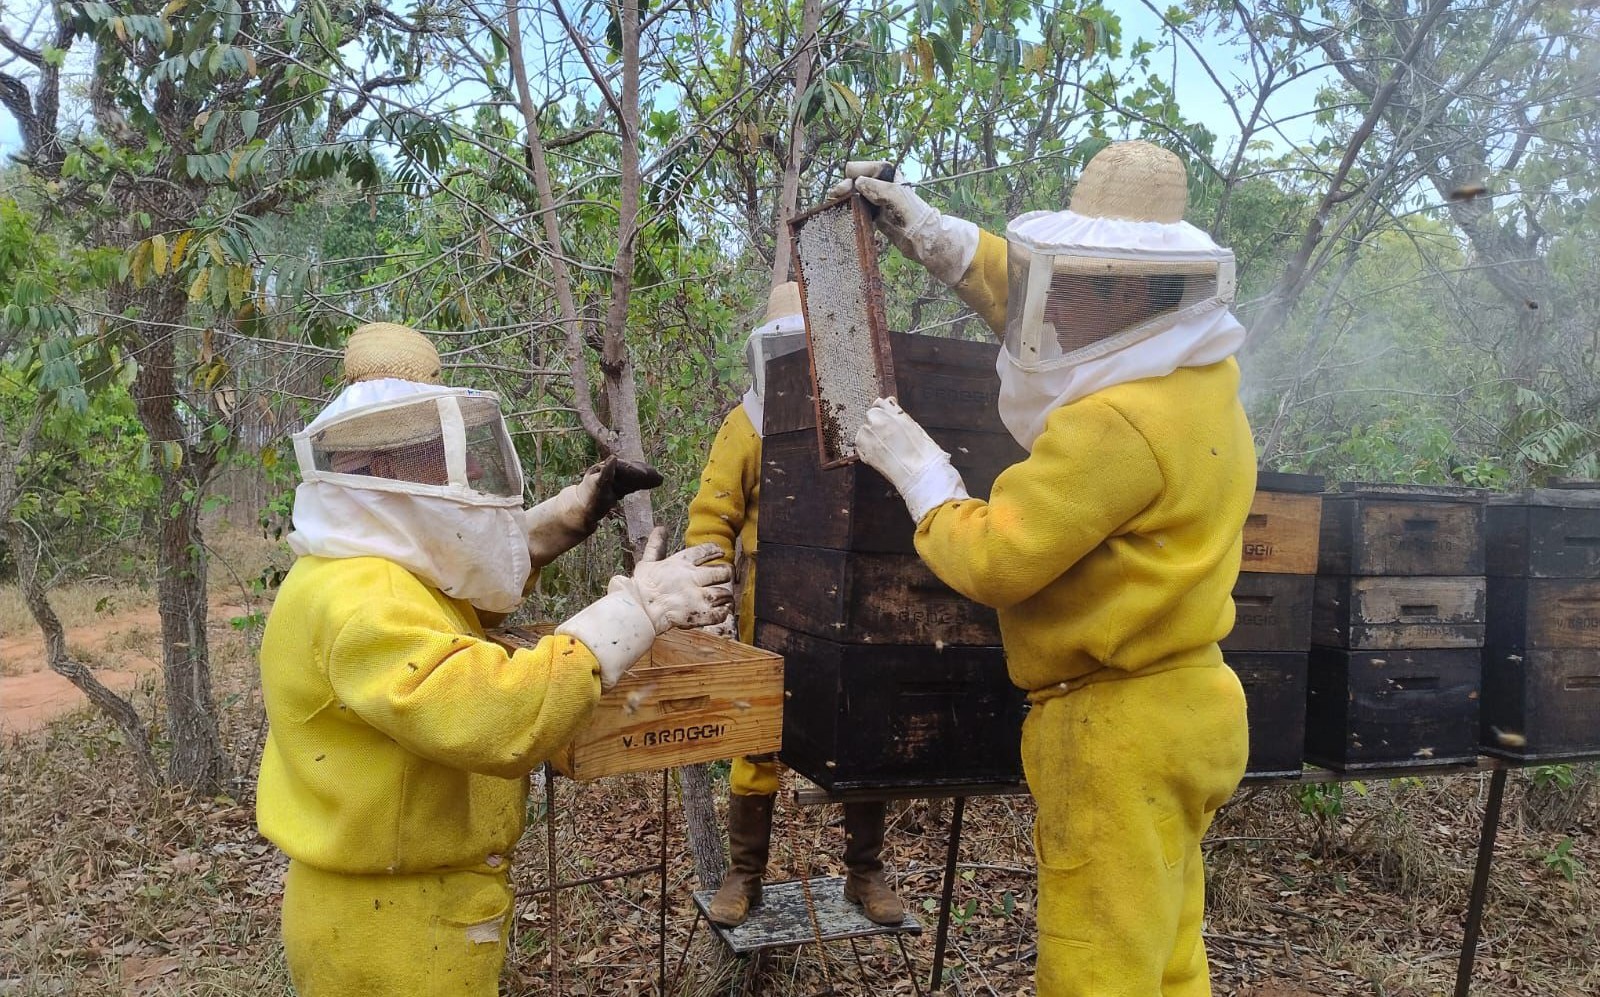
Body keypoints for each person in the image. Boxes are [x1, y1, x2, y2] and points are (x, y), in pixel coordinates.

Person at [835, 142, 1255, 996]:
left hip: (1115, 735)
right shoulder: (1205, 380)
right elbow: (1046, 319)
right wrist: (946, 241)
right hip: (1192, 709)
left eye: (1092, 282)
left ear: (1139, 286)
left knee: (1098, 967)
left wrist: (924, 478)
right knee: (1166, 954)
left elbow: (1000, 556)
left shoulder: (1116, 425)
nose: (1065, 298)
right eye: (1067, 276)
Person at [256, 322, 732, 996]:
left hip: (401, 903)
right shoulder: (361, 599)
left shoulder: (357, 568)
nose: (469, 470)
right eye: (437, 453)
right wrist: (640, 608)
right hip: (394, 929)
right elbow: (495, 711)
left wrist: (570, 514)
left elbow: (456, 588)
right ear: (380, 470)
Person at [686, 284, 905, 928]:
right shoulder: (745, 425)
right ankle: (743, 875)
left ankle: (865, 873)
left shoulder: (864, 422)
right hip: (768, 611)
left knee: (856, 734)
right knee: (758, 739)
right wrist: (710, 602)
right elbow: (710, 521)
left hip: (849, 613)